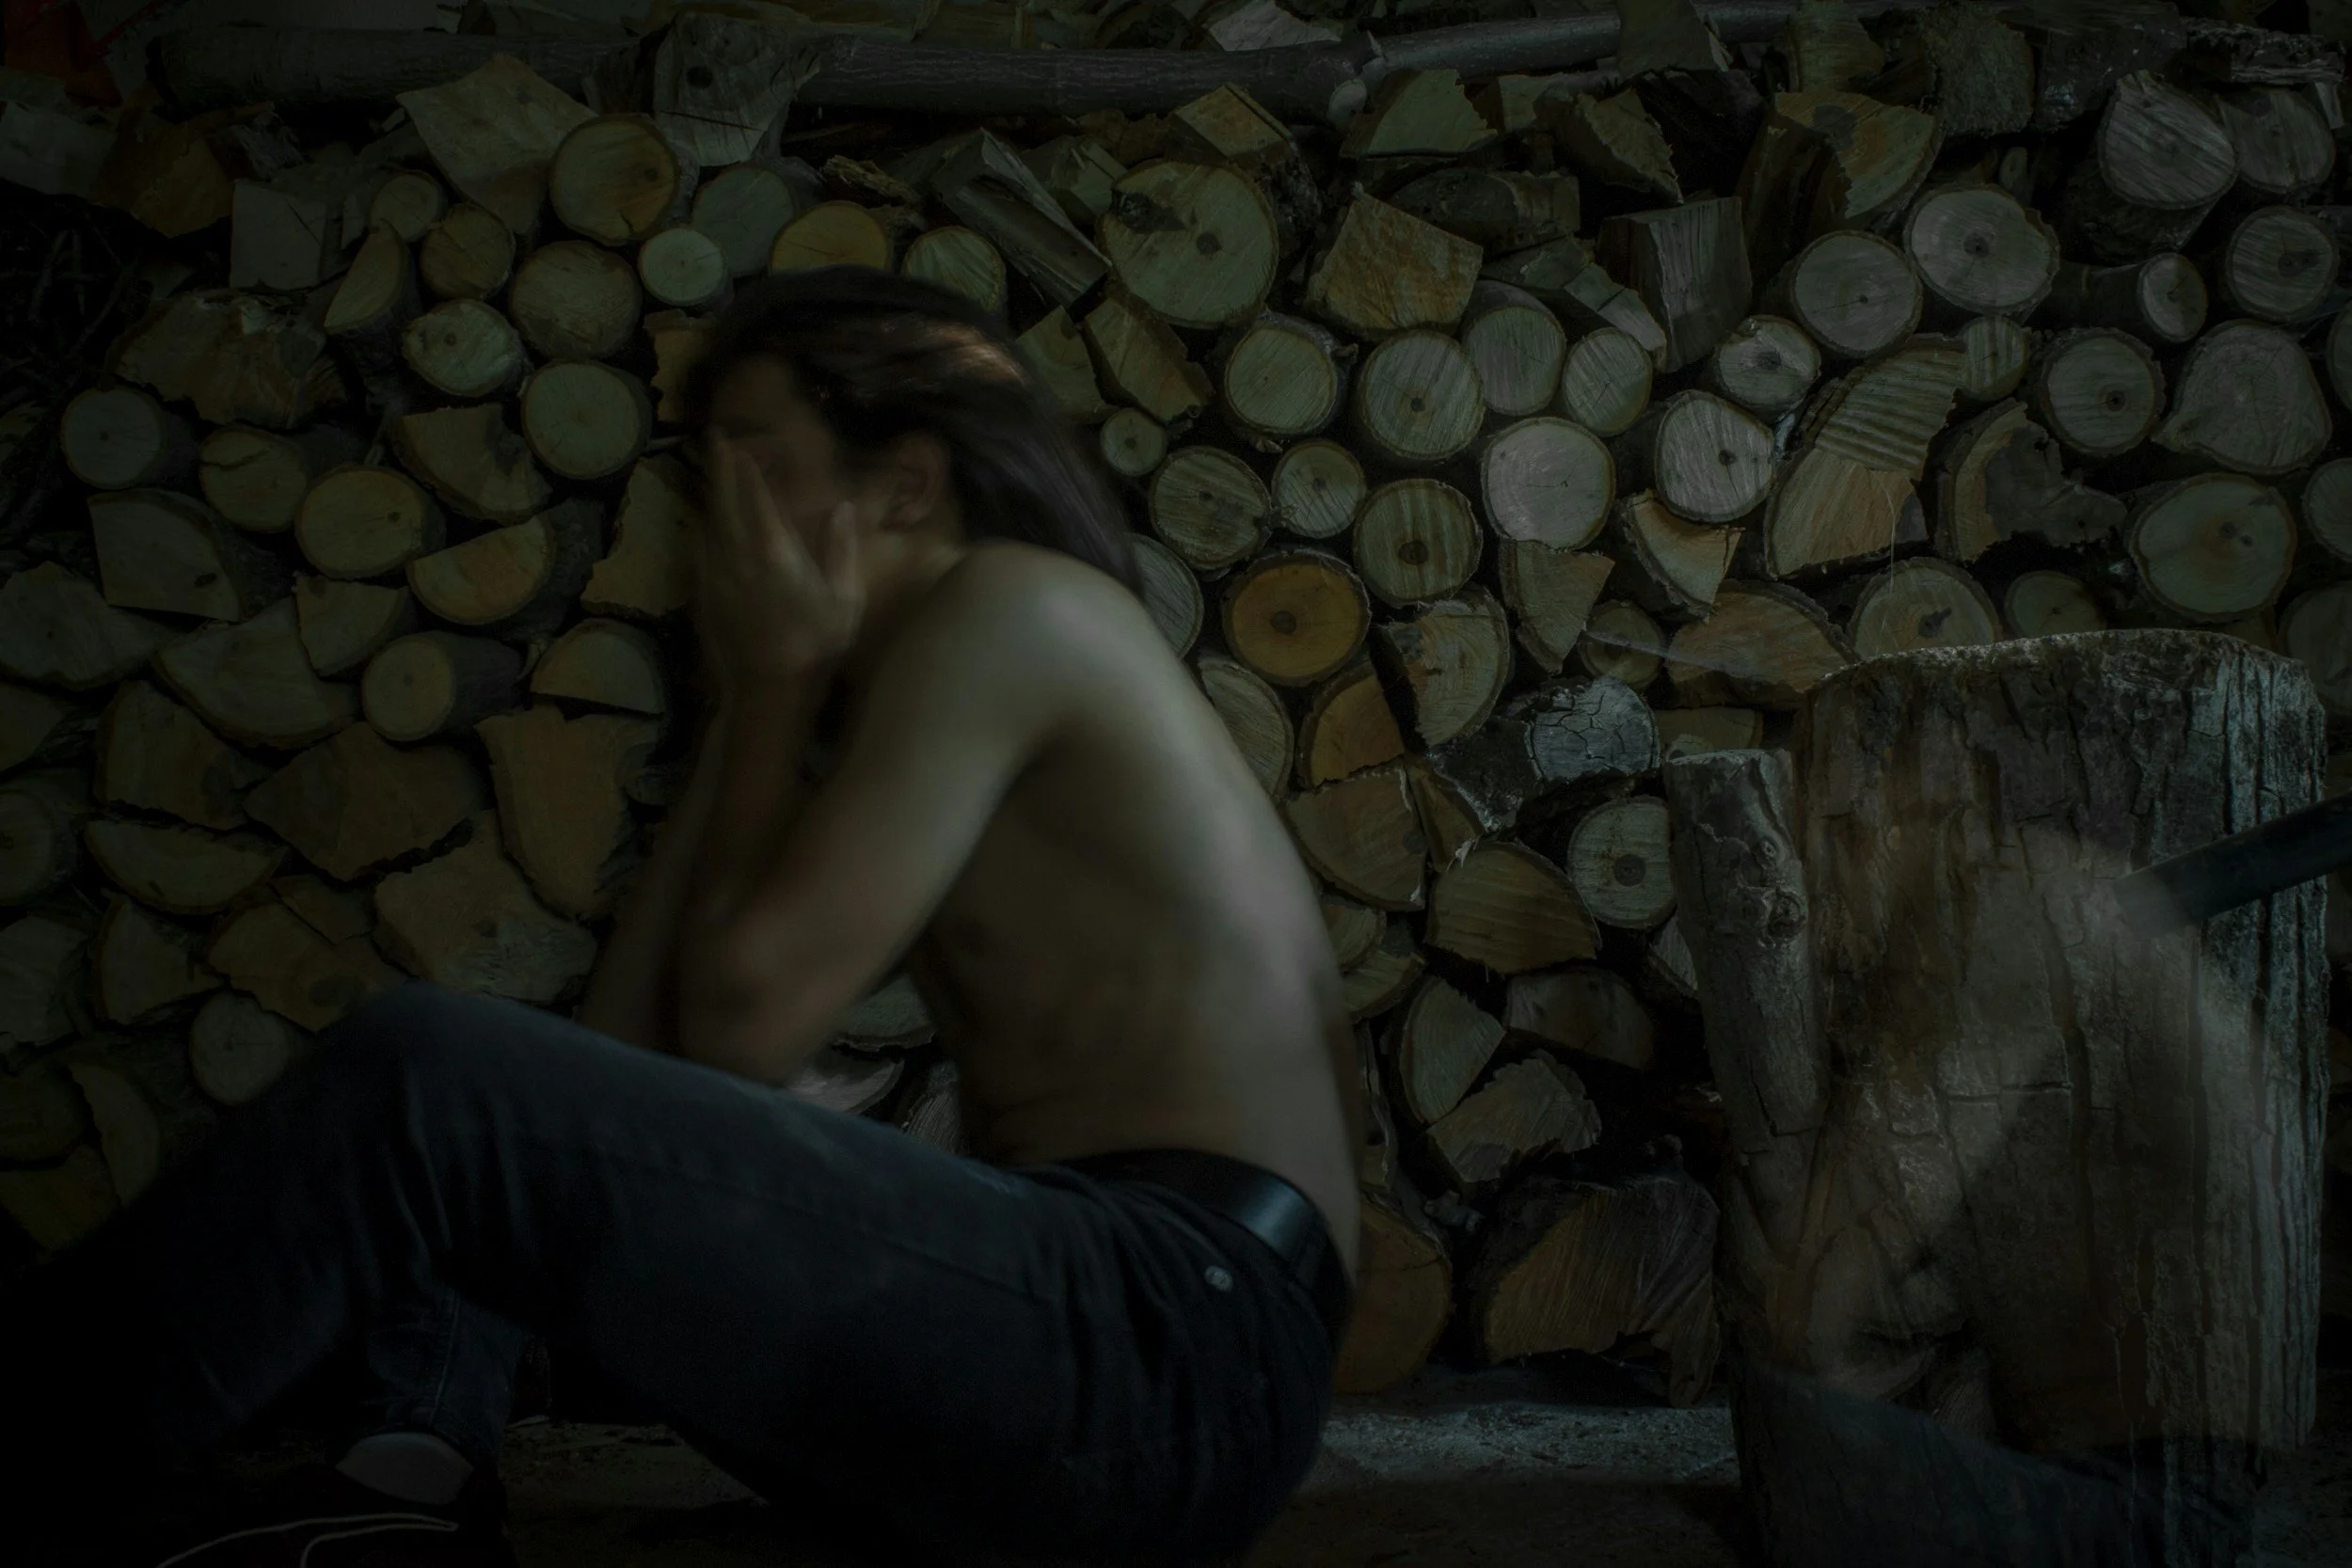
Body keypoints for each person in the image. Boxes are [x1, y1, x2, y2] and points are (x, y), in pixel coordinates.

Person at [3, 266, 1363, 1568]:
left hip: (1173, 1342)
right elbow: (625, 1073)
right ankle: (404, 1482)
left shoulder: (1014, 605)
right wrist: (741, 732)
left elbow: (745, 1022)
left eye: (760, 460)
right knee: (492, 1133)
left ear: (903, 482)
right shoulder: (873, 695)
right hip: (1108, 1391)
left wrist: (768, 694)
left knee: (417, 1071)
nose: (724, 516)